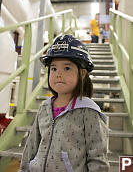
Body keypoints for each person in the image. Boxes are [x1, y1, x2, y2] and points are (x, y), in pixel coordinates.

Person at [18, 34, 109, 172]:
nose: (58, 74)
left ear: (82, 74)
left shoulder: (88, 111)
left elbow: (97, 159)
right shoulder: (44, 108)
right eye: (53, 69)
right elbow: (30, 148)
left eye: (67, 68)